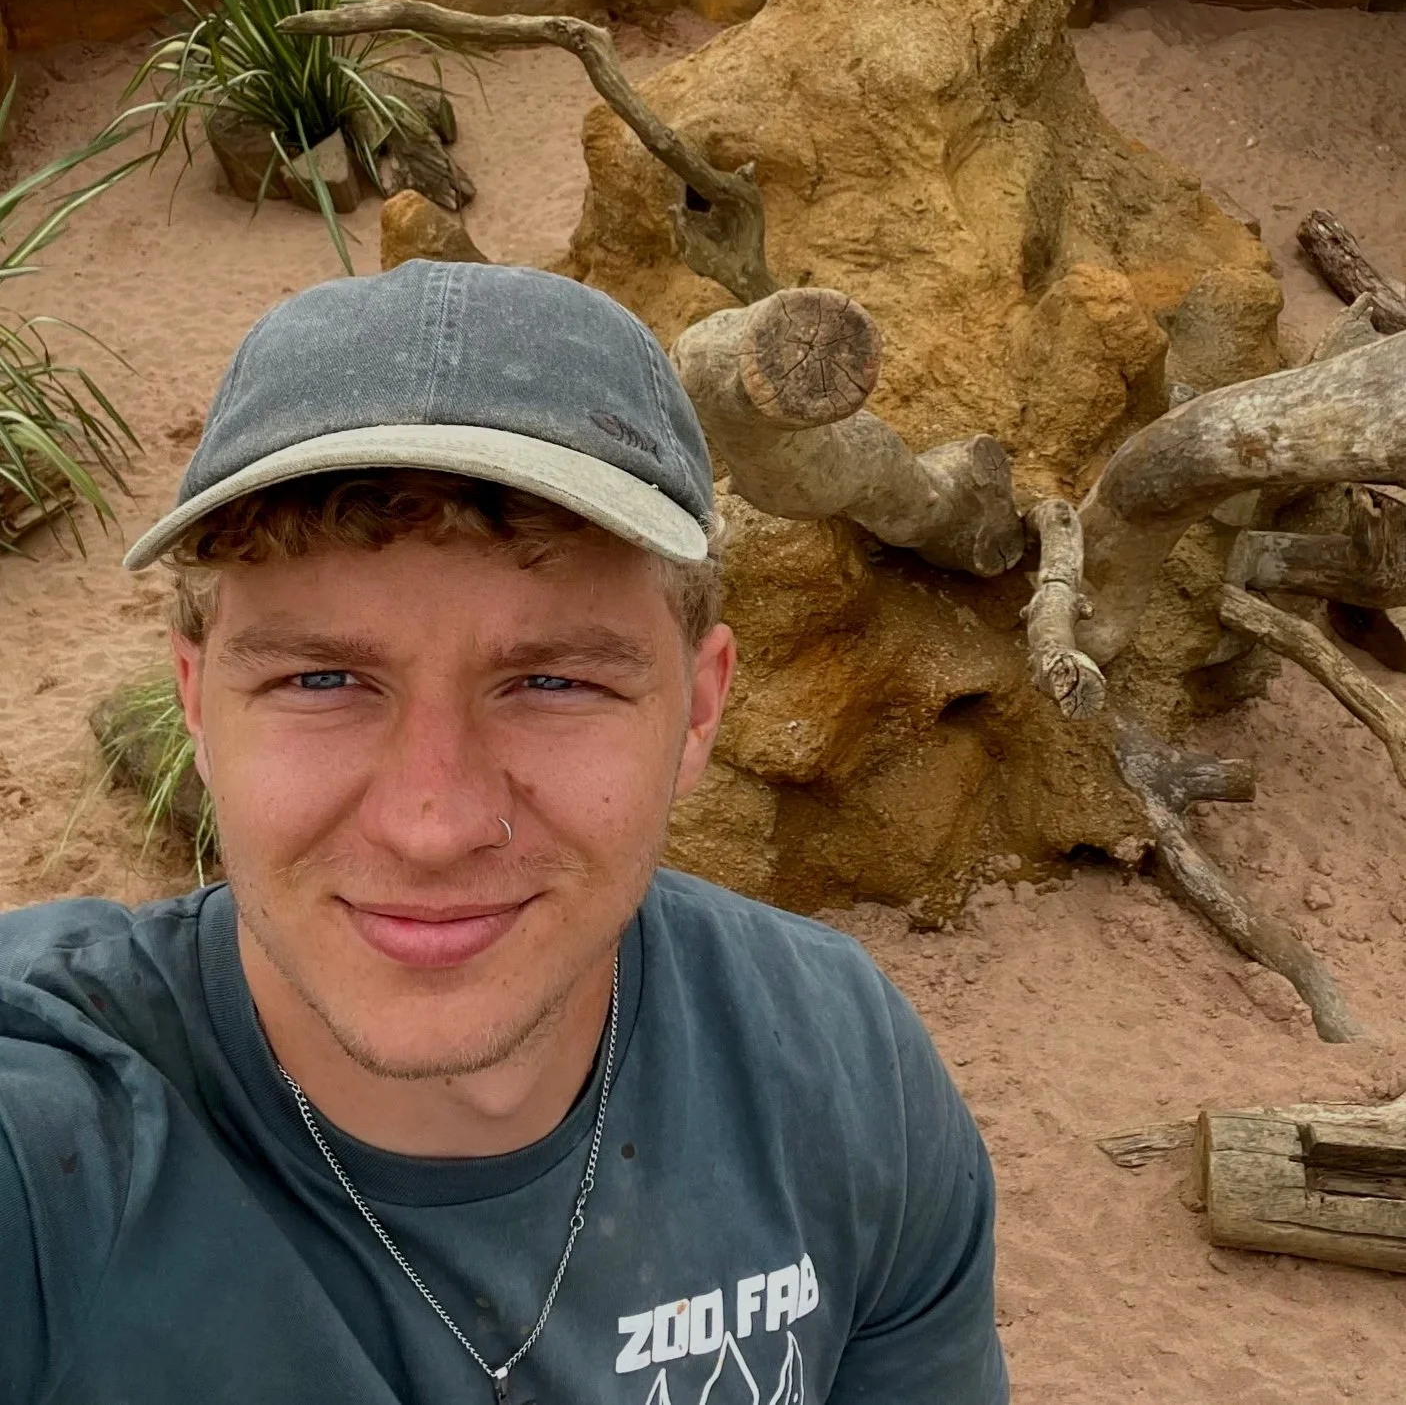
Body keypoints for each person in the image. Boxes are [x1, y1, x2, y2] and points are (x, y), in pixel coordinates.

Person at [0, 261, 1007, 1405]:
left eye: (553, 679)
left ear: (700, 708)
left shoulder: (840, 1071)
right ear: (194, 700)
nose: (431, 823)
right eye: (322, 676)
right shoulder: (53, 1148)